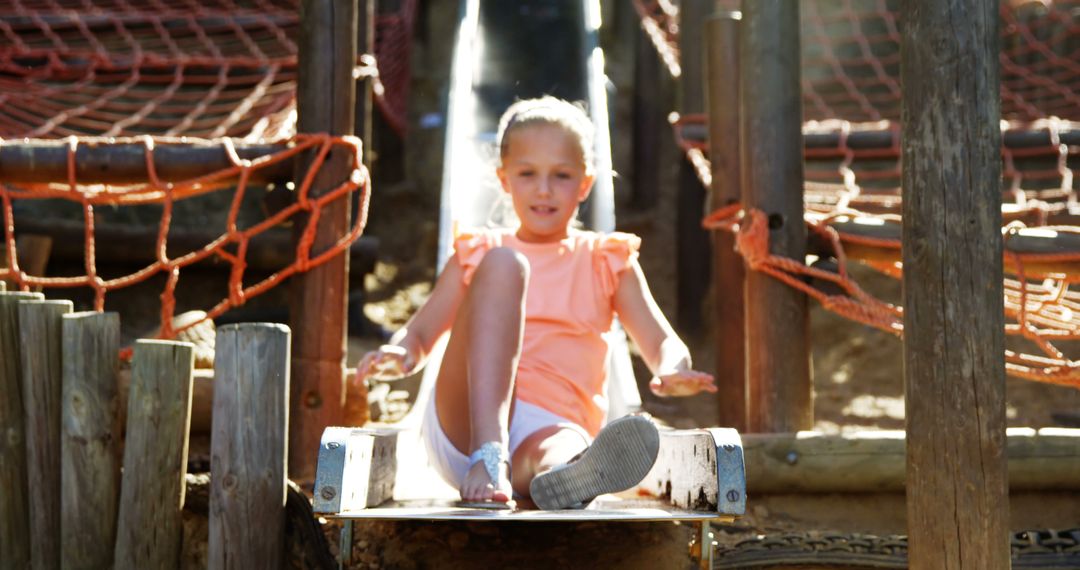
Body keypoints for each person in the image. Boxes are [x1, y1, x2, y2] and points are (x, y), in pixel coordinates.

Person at [355, 96, 716, 509]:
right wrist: (398, 353)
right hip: (468, 420)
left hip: (551, 422)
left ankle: (567, 474)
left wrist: (674, 369)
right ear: (504, 179)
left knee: (559, 447)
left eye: (561, 176)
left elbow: (661, 340)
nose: (544, 190)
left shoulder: (606, 260)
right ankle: (488, 456)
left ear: (585, 183)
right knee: (506, 265)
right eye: (527, 174)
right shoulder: (481, 250)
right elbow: (419, 333)